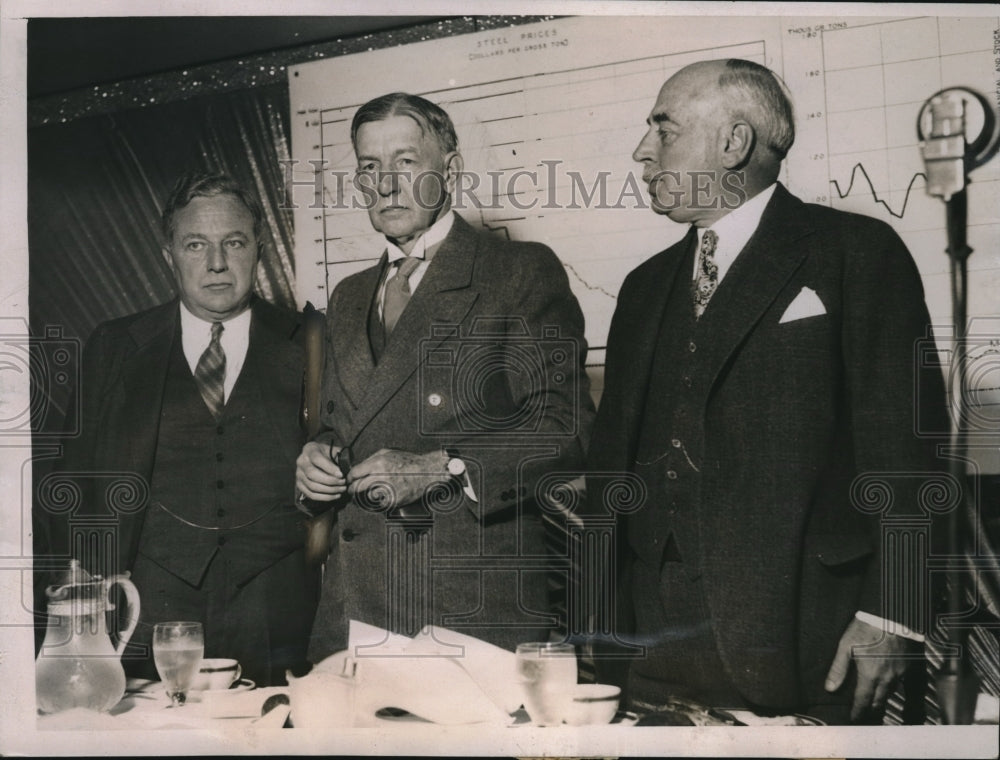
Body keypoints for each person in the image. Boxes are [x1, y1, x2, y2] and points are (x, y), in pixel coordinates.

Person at [586, 59, 948, 723]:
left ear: (734, 143)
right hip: (647, 650)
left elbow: (909, 452)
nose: (642, 150)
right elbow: (611, 469)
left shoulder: (856, 253)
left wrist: (895, 615)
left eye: (663, 129)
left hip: (807, 640)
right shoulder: (643, 288)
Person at [295, 93, 595, 659]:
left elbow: (567, 429)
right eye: (369, 168)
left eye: (405, 163)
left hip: (464, 614)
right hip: (350, 612)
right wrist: (316, 461)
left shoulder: (516, 272)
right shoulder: (349, 295)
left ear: (450, 171)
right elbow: (345, 427)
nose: (385, 184)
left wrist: (442, 467)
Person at [33, 173, 318, 686]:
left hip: (277, 610)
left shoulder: (310, 343)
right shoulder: (115, 347)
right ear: (169, 254)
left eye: (233, 242)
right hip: (147, 610)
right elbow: (69, 482)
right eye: (195, 245)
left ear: (259, 247)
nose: (215, 263)